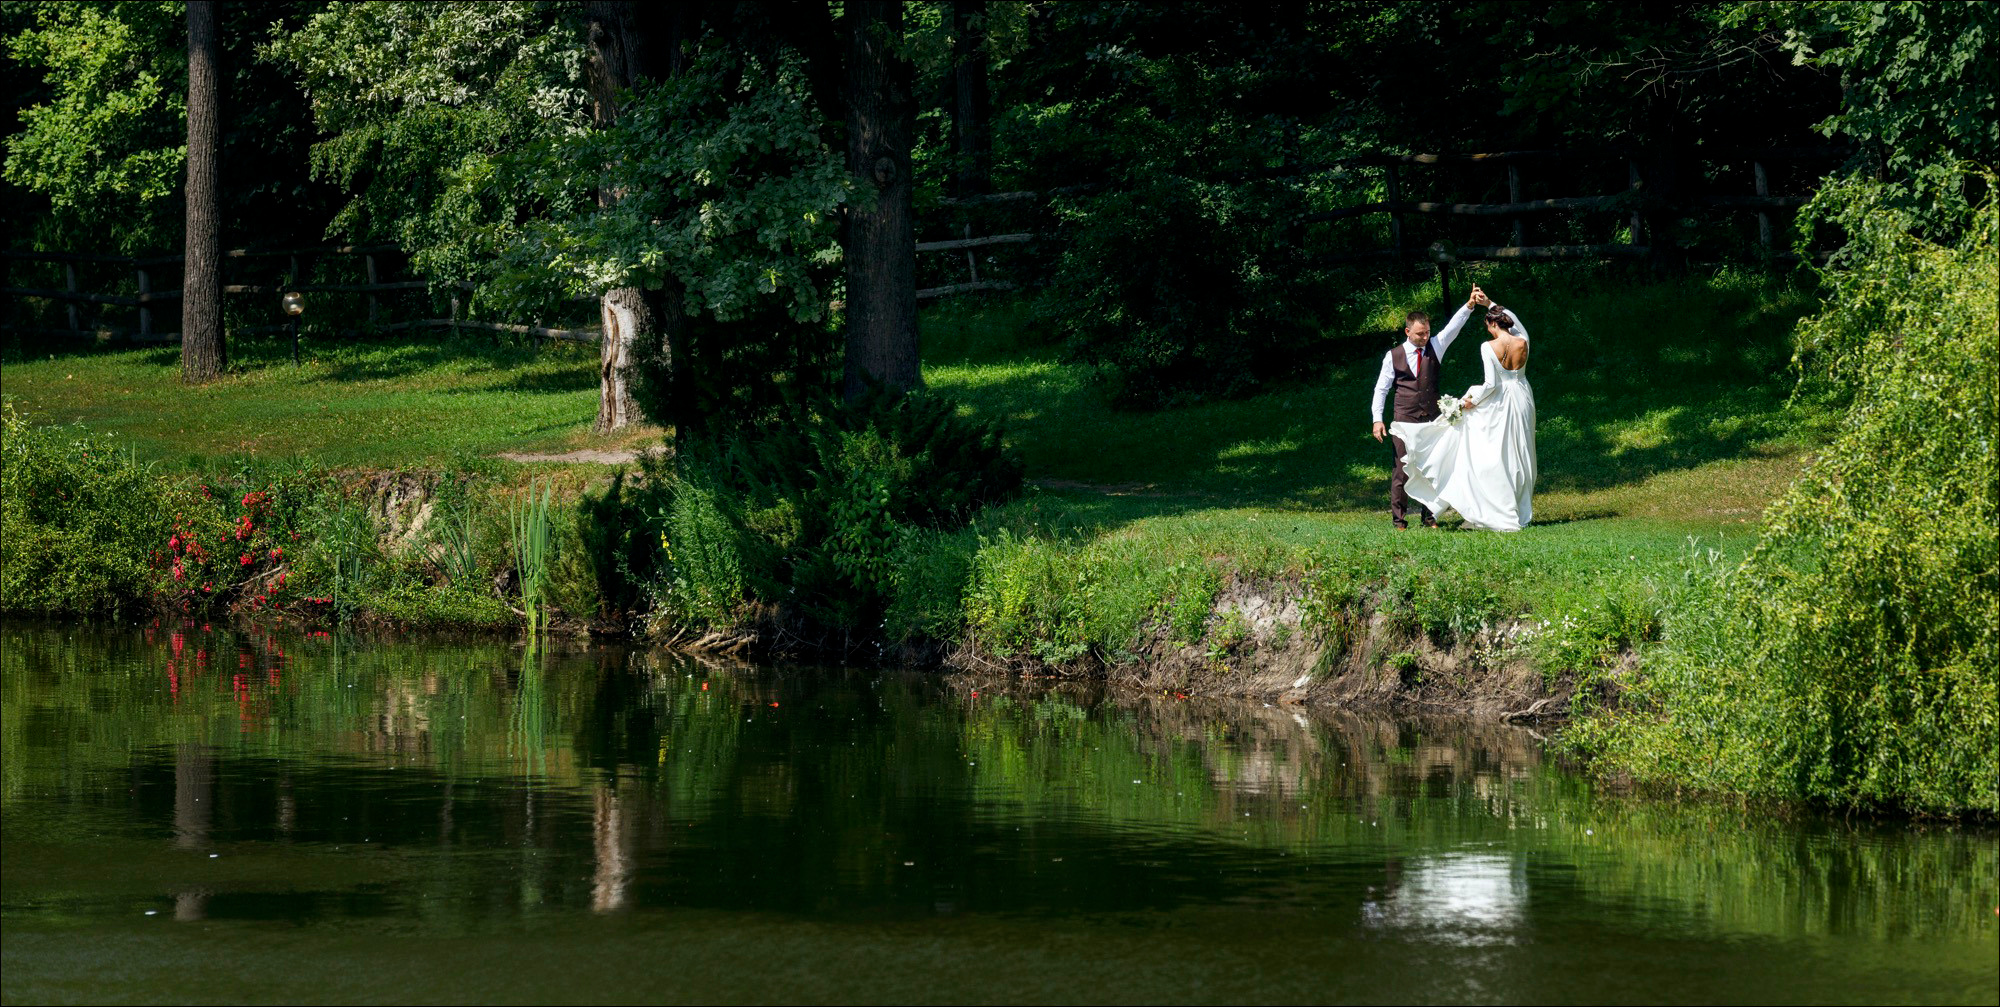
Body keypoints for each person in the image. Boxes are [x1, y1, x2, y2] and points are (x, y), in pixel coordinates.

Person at [1389, 288, 1536, 532]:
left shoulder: (1488, 347)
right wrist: (1490, 303)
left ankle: (1497, 507)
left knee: (1494, 452)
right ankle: (1522, 511)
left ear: (1491, 324)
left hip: (1500, 401)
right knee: (1523, 451)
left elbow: (1490, 385)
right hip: (1523, 396)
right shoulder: (1523, 340)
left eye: (1488, 325)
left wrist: (1469, 400)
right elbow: (1515, 321)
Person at [1368, 292, 1482, 529]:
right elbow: (1381, 389)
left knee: (1432, 468)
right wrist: (1377, 419)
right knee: (1401, 471)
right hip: (1403, 421)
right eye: (1420, 333)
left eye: (1427, 332)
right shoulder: (1393, 356)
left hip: (1431, 420)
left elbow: (1452, 329)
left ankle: (1429, 517)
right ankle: (1399, 521)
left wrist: (1470, 306)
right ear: (1407, 331)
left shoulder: (1435, 347)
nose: (1424, 337)